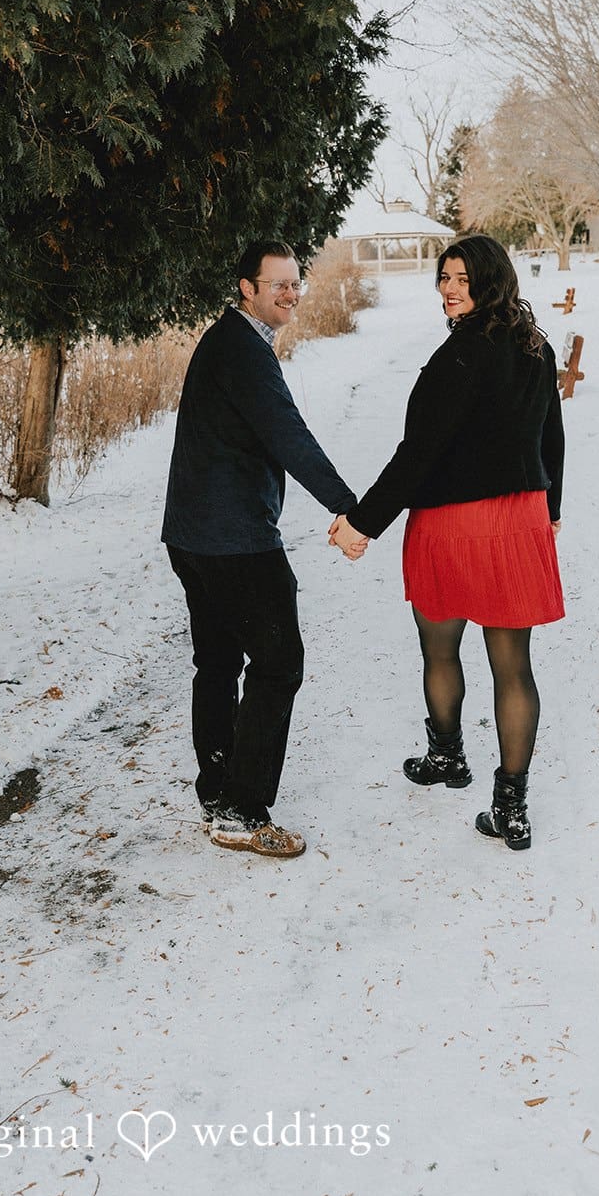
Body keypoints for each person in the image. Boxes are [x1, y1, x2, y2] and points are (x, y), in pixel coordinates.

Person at [330, 234, 564, 851]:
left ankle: (447, 756)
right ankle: (511, 806)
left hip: (453, 525)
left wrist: (362, 523)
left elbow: (419, 453)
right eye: (444, 278)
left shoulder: (458, 355)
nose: (450, 289)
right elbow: (551, 438)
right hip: (519, 520)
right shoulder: (536, 347)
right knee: (513, 666)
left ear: (490, 280)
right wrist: (551, 509)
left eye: (463, 278)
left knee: (441, 650)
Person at [163, 240, 360, 859]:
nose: (290, 294)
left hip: (195, 536)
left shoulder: (230, 341)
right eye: (278, 284)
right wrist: (348, 507)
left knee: (219, 663)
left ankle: (219, 794)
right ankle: (242, 811)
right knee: (278, 664)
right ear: (246, 288)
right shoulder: (244, 350)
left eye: (296, 283)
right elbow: (288, 436)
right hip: (235, 542)